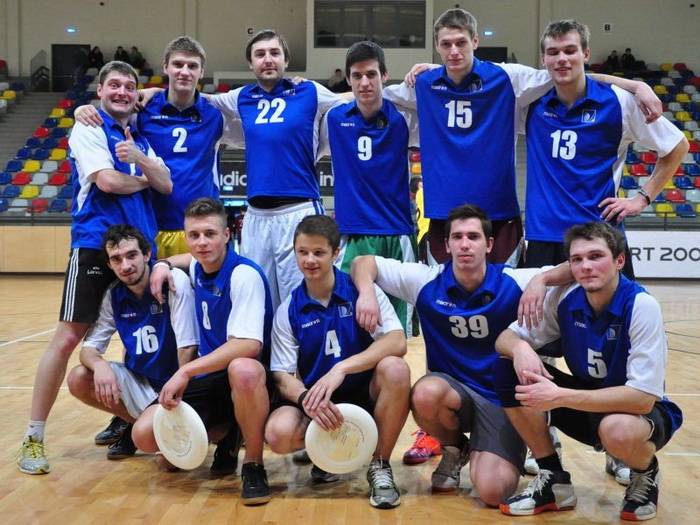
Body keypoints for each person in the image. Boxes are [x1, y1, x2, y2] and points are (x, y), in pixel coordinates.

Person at [383, 8, 661, 267]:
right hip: (444, 214)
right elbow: (373, 97)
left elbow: (567, 73)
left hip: (499, 213)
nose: (454, 51)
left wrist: (635, 85)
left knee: (506, 297)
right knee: (446, 297)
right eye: (446, 45)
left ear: (475, 42)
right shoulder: (423, 84)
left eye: (461, 43)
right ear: (437, 47)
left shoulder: (507, 77)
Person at [351, 204, 573, 507]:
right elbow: (363, 262)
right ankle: (456, 448)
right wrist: (366, 292)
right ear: (447, 245)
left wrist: (543, 279)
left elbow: (579, 266)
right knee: (425, 393)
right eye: (457, 237)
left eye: (473, 236)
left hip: (501, 402)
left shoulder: (514, 281)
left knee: (494, 492)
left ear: (489, 244)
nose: (465, 244)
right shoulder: (426, 281)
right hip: (453, 395)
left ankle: (502, 448)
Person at [16, 60, 172, 475]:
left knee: (142, 332)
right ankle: (33, 437)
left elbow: (168, 183)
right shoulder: (87, 127)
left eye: (129, 87)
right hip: (94, 246)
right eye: (113, 85)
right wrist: (145, 177)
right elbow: (108, 181)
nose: (122, 92)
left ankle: (129, 417)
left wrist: (143, 162)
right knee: (69, 338)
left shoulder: (139, 137)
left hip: (141, 248)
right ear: (98, 90)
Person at [494, 222, 683, 520]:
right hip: (586, 401)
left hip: (637, 413)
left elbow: (642, 399)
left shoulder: (641, 305)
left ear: (619, 260)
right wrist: (519, 348)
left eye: (596, 256)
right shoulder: (566, 298)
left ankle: (645, 472)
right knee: (506, 367)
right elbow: (504, 338)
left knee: (616, 430)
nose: (586, 266)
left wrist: (558, 396)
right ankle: (553, 477)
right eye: (577, 259)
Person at [521, 20, 688, 280]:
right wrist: (636, 84)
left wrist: (642, 198)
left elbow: (677, 145)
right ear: (543, 59)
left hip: (601, 236)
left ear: (586, 54)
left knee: (619, 308)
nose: (562, 58)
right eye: (553, 52)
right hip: (543, 237)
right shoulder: (530, 102)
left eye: (570, 50)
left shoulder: (619, 101)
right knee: (539, 308)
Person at [265, 215, 410, 508]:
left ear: (335, 253)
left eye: (319, 252)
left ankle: (380, 466)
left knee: (396, 369)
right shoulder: (289, 309)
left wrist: (342, 368)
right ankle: (327, 452)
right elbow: (281, 375)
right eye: (303, 252)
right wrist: (306, 399)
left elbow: (397, 341)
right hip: (321, 404)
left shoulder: (361, 292)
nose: (310, 260)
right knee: (278, 433)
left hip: (365, 396)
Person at [136, 197, 274, 505]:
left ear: (227, 235)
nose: (201, 243)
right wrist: (162, 264)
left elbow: (249, 345)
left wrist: (185, 370)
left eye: (210, 234)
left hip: (251, 380)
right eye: (194, 235)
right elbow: (185, 259)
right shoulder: (198, 266)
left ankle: (253, 464)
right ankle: (228, 432)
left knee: (243, 367)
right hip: (211, 377)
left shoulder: (243, 274)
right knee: (145, 436)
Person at [203, 29, 343, 310]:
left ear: (286, 60)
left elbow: (352, 101)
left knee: (301, 302)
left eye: (274, 53)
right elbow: (198, 99)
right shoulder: (241, 97)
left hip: (299, 210)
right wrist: (151, 92)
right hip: (256, 216)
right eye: (260, 54)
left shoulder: (310, 91)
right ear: (250, 63)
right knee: (259, 301)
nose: (267, 59)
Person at [75, 36, 231, 258]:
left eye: (192, 66)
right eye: (178, 64)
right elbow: (111, 115)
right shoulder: (142, 110)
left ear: (202, 71)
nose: (184, 71)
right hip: (149, 228)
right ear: (166, 67)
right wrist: (82, 110)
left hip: (200, 229)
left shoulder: (216, 115)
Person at [66, 224, 198, 460]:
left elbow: (188, 347)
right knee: (79, 377)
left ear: (147, 254)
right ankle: (137, 422)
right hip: (143, 384)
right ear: (109, 265)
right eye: (116, 259)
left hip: (181, 383)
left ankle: (151, 426)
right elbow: (88, 349)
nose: (125, 266)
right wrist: (100, 365)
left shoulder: (172, 280)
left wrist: (180, 394)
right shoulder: (113, 294)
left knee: (164, 459)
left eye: (131, 255)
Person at [319, 41, 419, 338]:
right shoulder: (334, 118)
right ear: (348, 80)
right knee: (349, 325)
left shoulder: (404, 118)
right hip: (352, 235)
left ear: (385, 76)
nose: (365, 82)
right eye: (357, 75)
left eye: (372, 74)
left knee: (397, 331)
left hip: (396, 233)